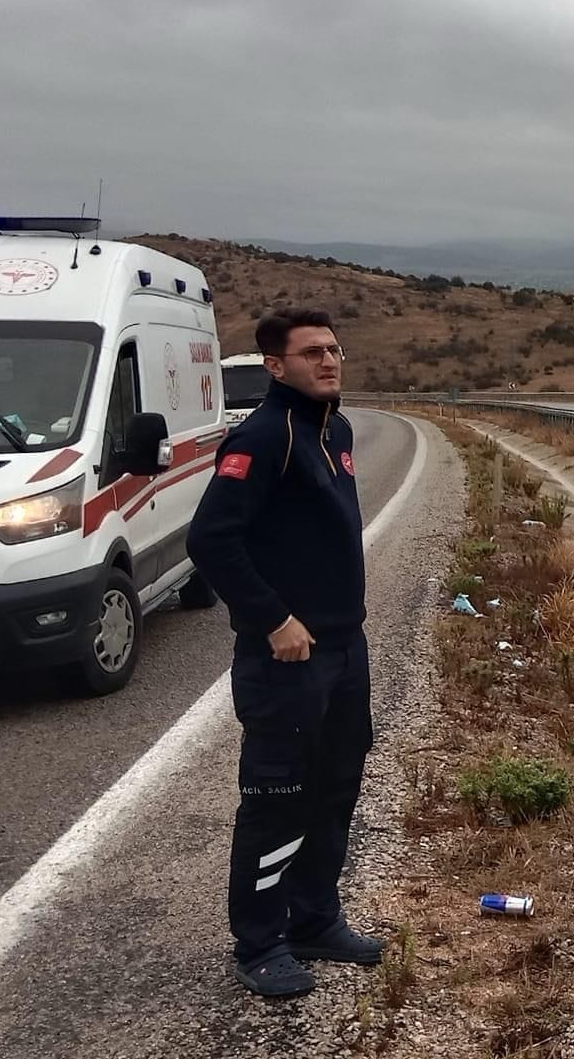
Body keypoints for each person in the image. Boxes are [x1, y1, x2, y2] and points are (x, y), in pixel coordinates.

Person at [189, 308, 383, 998]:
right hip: (287, 659)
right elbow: (212, 540)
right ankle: (260, 940)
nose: (329, 360)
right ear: (275, 365)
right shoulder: (265, 435)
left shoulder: (339, 428)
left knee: (335, 788)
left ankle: (314, 918)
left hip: (344, 648)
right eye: (310, 353)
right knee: (278, 798)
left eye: (334, 348)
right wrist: (273, 617)